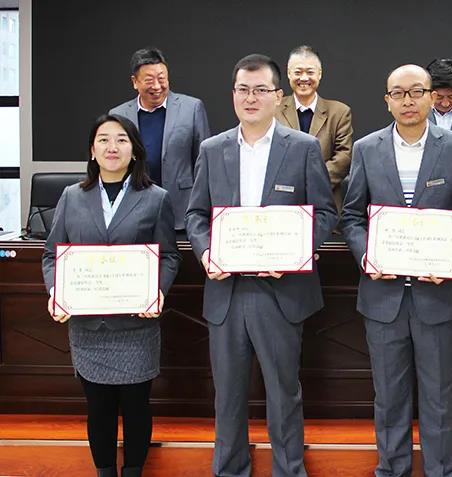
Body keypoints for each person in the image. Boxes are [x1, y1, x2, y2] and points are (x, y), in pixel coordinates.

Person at [184, 54, 337, 477]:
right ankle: (230, 469)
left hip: (281, 292)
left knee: (284, 392)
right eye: (243, 90)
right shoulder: (212, 149)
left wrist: (296, 252)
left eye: (260, 90)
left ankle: (289, 470)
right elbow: (196, 215)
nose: (250, 98)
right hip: (226, 291)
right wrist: (206, 253)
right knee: (228, 395)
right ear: (233, 94)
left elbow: (325, 213)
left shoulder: (303, 147)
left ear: (278, 96)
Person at [340, 64, 452, 477]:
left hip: (436, 296)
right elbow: (351, 217)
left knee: (440, 396)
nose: (408, 100)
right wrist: (368, 256)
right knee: (389, 396)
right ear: (387, 100)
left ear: (430, 97)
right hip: (382, 297)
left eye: (416, 92)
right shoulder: (366, 149)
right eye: (398, 93)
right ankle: (392, 469)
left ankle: (442, 470)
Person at [41, 114, 181, 477]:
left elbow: (169, 255)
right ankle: (104, 472)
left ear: (134, 150)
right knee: (98, 408)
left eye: (121, 139)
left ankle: (133, 471)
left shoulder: (156, 198)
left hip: (136, 326)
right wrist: (56, 292)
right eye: (103, 139)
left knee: (136, 406)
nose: (112, 147)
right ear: (92, 150)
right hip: (89, 327)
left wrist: (158, 291)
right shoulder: (72, 196)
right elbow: (52, 254)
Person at [110, 47, 211, 233]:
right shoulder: (118, 115)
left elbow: (204, 162)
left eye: (162, 79)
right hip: (133, 210)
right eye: (149, 80)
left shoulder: (191, 108)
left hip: (181, 209)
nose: (157, 86)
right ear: (135, 82)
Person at [275, 45, 353, 211]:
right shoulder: (273, 110)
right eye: (298, 72)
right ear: (288, 73)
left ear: (319, 74)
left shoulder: (339, 112)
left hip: (326, 203)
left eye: (310, 72)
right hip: (281, 203)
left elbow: (344, 157)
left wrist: (312, 182)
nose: (304, 78)